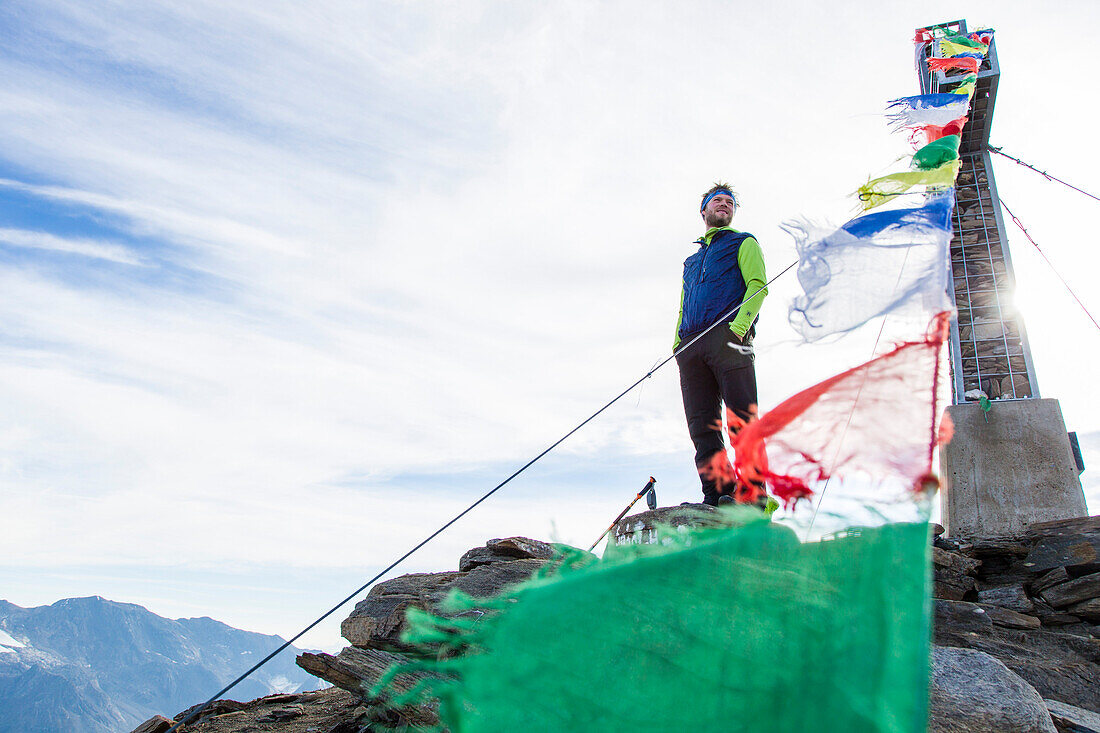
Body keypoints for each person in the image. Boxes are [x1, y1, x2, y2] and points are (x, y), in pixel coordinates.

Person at [673, 182, 768, 506]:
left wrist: (738, 329)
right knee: (702, 426)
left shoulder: (743, 242)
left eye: (730, 202)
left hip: (728, 336)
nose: (724, 205)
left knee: (742, 419)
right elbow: (684, 303)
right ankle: (718, 494)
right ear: (705, 211)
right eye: (718, 201)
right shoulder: (690, 262)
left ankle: (753, 496)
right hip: (691, 346)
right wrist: (678, 344)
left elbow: (758, 285)